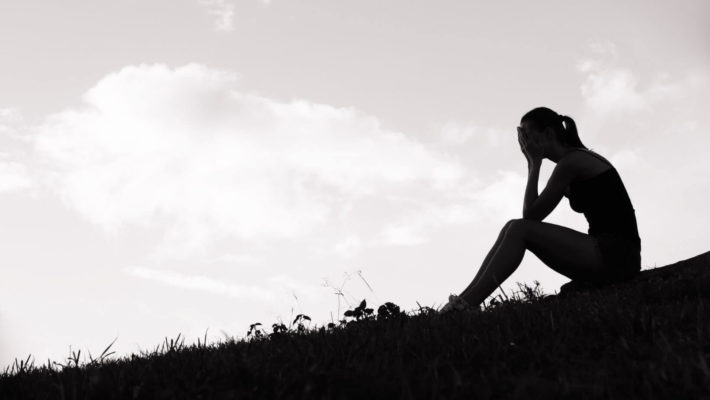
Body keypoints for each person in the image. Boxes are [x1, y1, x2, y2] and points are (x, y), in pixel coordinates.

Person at [440, 106, 642, 313]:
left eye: (528, 135)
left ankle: (465, 306)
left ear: (548, 134)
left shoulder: (572, 162)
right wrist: (533, 162)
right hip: (609, 252)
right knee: (512, 226)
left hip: (617, 253)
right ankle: (462, 302)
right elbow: (531, 213)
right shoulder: (570, 163)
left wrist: (533, 164)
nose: (525, 143)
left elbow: (531, 215)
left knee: (519, 229)